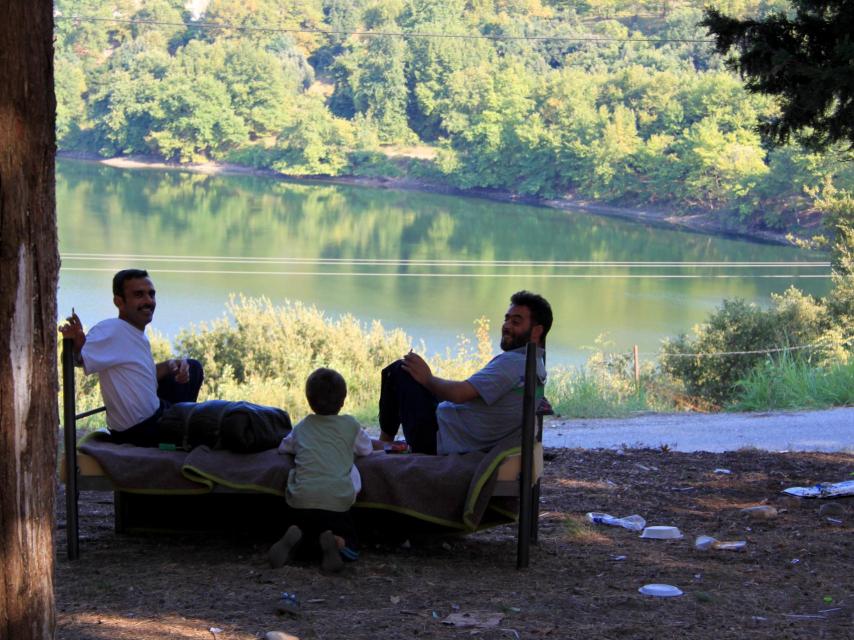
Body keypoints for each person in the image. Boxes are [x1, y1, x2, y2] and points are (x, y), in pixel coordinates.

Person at [378, 290, 551, 455]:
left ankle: (384, 445)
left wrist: (427, 379)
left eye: (516, 322)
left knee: (401, 369)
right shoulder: (536, 366)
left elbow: (459, 394)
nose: (506, 326)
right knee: (421, 382)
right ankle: (387, 444)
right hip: (460, 430)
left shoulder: (513, 363)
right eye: (506, 319)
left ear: (537, 331)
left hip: (435, 436)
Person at [59, 269, 204, 447]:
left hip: (155, 416)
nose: (148, 301)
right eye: (139, 295)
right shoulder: (112, 330)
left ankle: (184, 432)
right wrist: (76, 348)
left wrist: (171, 365)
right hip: (143, 431)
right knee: (222, 422)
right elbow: (76, 360)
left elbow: (140, 374)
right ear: (119, 301)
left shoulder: (134, 332)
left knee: (193, 367)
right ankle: (183, 439)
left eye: (151, 294)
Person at [269, 368, 374, 573]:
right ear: (343, 401)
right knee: (352, 546)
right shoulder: (350, 425)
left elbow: (284, 447)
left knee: (305, 532)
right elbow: (367, 450)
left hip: (300, 501)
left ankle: (295, 540)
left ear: (309, 401)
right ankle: (338, 543)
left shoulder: (302, 427)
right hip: (337, 502)